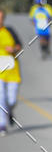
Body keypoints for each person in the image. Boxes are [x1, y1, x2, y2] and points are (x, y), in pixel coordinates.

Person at [0, 8, 22, 136]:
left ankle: (9, 111)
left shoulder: (10, 31)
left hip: (12, 71)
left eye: (1, 18)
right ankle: (2, 124)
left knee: (12, 100)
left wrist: (13, 48)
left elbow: (19, 46)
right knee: (1, 97)